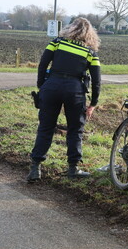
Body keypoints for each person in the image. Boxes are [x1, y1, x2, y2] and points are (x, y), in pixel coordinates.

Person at [27, 17, 101, 182]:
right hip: (74, 91)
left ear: (71, 28)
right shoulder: (90, 52)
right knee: (75, 129)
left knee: (45, 128)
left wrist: (42, 87)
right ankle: (73, 168)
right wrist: (93, 103)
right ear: (90, 34)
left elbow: (42, 64)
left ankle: (35, 169)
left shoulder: (57, 43)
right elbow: (97, 81)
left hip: (51, 86)